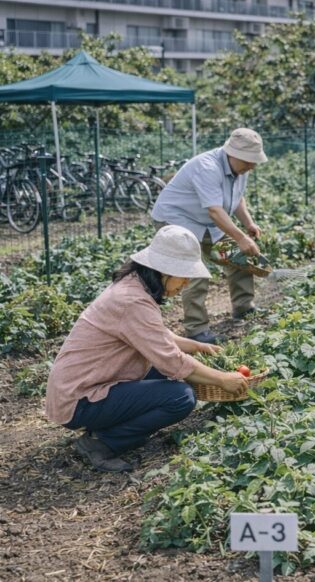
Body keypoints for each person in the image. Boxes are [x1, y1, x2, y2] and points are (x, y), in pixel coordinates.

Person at [45, 226, 249, 473]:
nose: (185, 283)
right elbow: (172, 361)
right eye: (182, 275)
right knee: (180, 397)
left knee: (173, 377)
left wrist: (196, 346)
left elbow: (155, 334)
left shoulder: (134, 286)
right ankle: (102, 442)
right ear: (163, 270)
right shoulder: (132, 301)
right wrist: (222, 379)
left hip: (85, 386)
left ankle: (108, 425)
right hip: (80, 398)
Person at [151, 128, 267, 344]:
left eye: (254, 161)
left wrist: (248, 223)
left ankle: (244, 307)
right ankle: (197, 330)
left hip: (206, 222)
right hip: (177, 219)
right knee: (194, 272)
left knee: (237, 258)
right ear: (233, 154)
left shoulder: (241, 169)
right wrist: (241, 238)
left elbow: (237, 198)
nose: (252, 166)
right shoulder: (207, 167)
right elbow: (215, 210)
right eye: (249, 161)